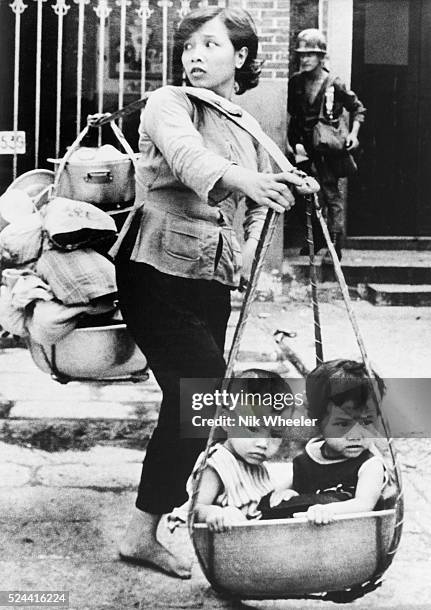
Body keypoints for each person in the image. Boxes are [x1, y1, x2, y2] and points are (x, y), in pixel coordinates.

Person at [111, 7, 316, 578]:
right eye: (189, 46)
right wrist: (246, 180)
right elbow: (189, 159)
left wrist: (255, 238)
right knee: (197, 399)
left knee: (192, 406)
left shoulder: (246, 125)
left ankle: (170, 521)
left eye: (209, 45)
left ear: (242, 58)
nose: (193, 56)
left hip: (210, 281)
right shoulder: (168, 104)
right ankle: (164, 523)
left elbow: (252, 207)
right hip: (154, 270)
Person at [258, 359, 388, 524]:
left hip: (353, 535)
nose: (356, 435)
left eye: (367, 421)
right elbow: (286, 489)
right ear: (318, 422)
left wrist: (327, 509)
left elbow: (364, 503)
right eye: (342, 424)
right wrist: (283, 495)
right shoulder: (309, 457)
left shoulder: (369, 465)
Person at [169, 369, 298, 533]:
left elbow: (260, 505)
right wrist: (214, 513)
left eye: (275, 434)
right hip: (227, 546)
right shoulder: (217, 465)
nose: (263, 443)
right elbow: (193, 508)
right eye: (252, 429)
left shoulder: (255, 464)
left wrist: (282, 496)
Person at [287, 29, 366, 260]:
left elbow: (358, 108)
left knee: (331, 195)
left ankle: (334, 244)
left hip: (327, 149)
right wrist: (291, 144)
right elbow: (291, 114)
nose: (305, 59)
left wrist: (353, 134)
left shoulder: (334, 83)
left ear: (321, 57)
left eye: (310, 55)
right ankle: (317, 238)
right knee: (301, 194)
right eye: (301, 55)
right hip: (302, 149)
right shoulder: (295, 82)